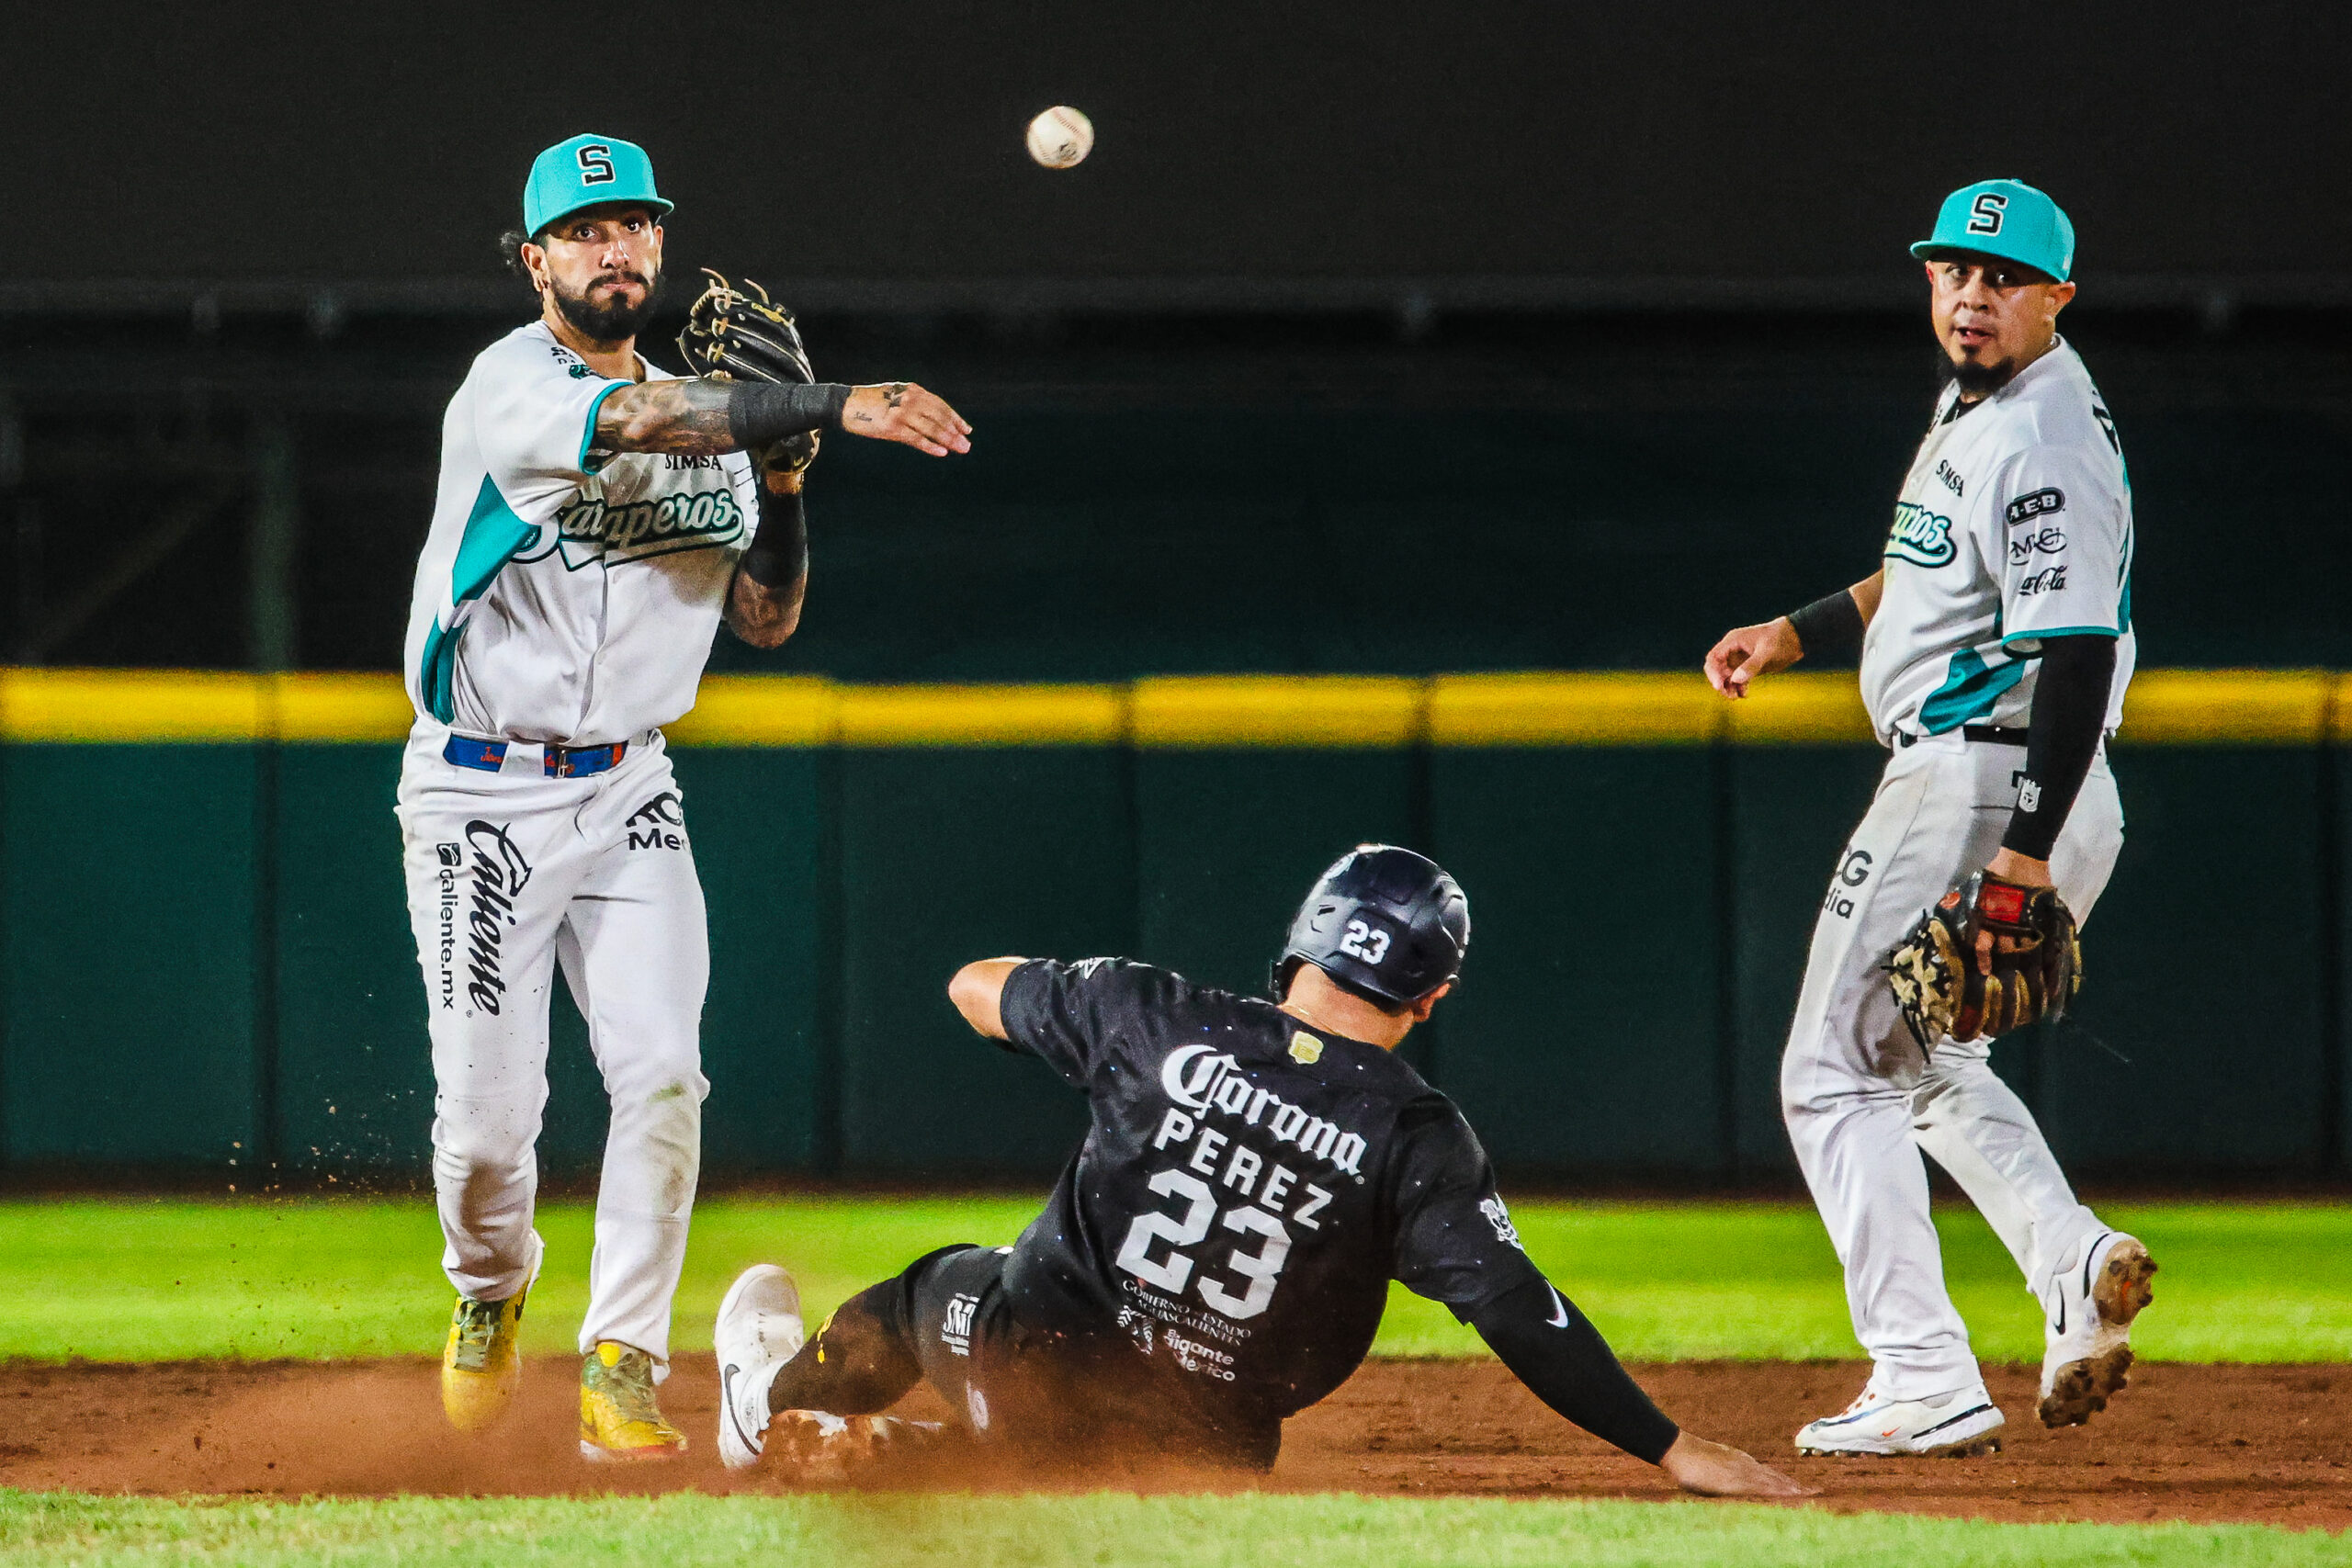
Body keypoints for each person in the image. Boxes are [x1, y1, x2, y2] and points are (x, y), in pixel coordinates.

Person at [398, 132, 971, 1461]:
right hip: (480, 791)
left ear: (659, 243)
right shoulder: (509, 387)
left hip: (629, 790)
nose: (615, 249)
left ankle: (624, 1362)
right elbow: (634, 424)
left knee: (662, 1075)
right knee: (486, 1133)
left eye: (634, 225)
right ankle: (490, 1286)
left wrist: (785, 477)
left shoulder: (724, 427)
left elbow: (766, 618)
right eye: (583, 231)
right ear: (535, 260)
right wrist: (831, 401)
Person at [709, 845, 1808, 1496]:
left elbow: (971, 986)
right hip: (1201, 1456)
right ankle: (916, 1455)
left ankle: (762, 1410)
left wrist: (1074, 1011)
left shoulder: (1154, 1015)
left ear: (1305, 939)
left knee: (932, 1286)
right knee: (1107, 1439)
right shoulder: (1418, 1134)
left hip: (1018, 1370)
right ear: (1432, 996)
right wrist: (1673, 1449)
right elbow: (1521, 1311)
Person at [1703, 179, 2154, 1457]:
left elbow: (2075, 649)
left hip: (1985, 778)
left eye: (2003, 279)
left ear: (2057, 298)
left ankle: (1920, 1371)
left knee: (1827, 1071)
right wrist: (1797, 628)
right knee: (1926, 1063)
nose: (1972, 295)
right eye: (1955, 270)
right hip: (2030, 782)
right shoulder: (1986, 406)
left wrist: (2021, 855)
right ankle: (2073, 1262)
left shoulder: (2043, 435)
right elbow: (1921, 572)